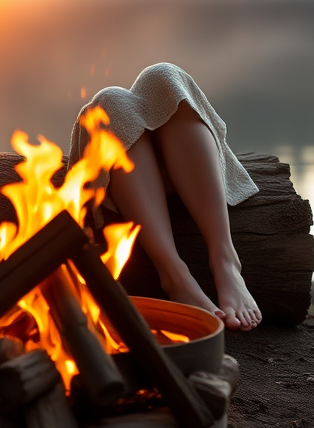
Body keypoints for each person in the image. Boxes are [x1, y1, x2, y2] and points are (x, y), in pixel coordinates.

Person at [70, 64, 263, 331]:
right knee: (109, 101)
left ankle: (226, 260)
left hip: (183, 153)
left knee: (162, 75)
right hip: (131, 176)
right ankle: (175, 277)